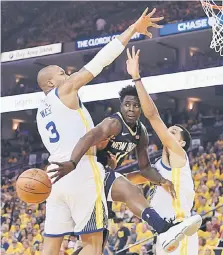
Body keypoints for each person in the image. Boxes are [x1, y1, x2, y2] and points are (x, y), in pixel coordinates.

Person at [36, 8, 163, 255]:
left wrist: (102, 150)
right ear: (51, 83)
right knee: (93, 245)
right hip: (80, 170)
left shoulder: (41, 111)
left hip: (54, 176)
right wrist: (132, 30)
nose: (68, 74)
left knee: (50, 245)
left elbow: (67, 140)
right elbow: (100, 61)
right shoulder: (64, 91)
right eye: (62, 73)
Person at [48, 68, 202, 253]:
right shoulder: (113, 123)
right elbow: (87, 138)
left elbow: (144, 168)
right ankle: (164, 228)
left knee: (97, 244)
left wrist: (160, 180)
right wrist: (72, 163)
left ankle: (164, 228)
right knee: (131, 191)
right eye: (127, 104)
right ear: (121, 106)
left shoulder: (141, 133)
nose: (131, 108)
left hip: (100, 179)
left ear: (140, 109)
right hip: (85, 173)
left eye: (136, 105)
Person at [124, 46, 202, 254]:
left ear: (182, 143)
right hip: (165, 234)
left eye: (175, 132)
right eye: (171, 129)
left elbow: (153, 117)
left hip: (181, 229)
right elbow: (135, 179)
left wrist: (136, 78)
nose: (170, 131)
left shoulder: (179, 156)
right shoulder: (158, 167)